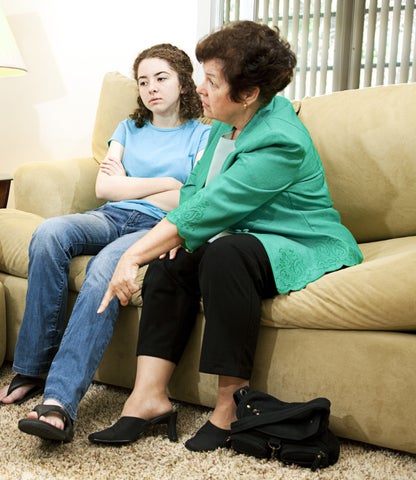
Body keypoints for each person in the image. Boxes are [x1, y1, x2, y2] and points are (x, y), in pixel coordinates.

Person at [89, 21, 363, 450]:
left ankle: (229, 406)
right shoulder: (223, 122)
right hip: (243, 233)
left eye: (212, 81)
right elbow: (196, 192)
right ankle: (148, 399)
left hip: (299, 240)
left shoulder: (280, 139)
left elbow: (214, 208)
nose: (199, 89)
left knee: (223, 254)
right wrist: (161, 247)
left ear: (249, 93)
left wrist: (131, 256)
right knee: (173, 259)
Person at [0, 43, 211, 442]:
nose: (151, 88)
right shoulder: (129, 128)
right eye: (143, 81)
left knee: (101, 272)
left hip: (155, 229)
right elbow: (104, 186)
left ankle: (58, 402)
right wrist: (166, 182)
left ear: (183, 82)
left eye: (161, 78)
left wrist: (132, 185)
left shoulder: (202, 134)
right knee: (48, 233)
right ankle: (30, 368)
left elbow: (191, 199)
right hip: (109, 216)